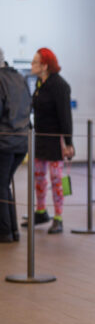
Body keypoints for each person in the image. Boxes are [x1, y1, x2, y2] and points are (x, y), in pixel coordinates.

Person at [22, 47, 74, 234]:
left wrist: (69, 143)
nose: (32, 65)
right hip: (40, 137)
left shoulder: (60, 85)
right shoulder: (39, 83)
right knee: (39, 177)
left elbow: (65, 116)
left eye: (35, 62)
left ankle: (58, 217)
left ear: (45, 65)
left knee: (56, 179)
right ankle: (41, 211)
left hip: (55, 140)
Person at [0, 47, 31, 243]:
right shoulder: (19, 77)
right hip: (22, 140)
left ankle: (5, 232)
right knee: (4, 185)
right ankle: (13, 229)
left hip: (5, 141)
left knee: (1, 186)